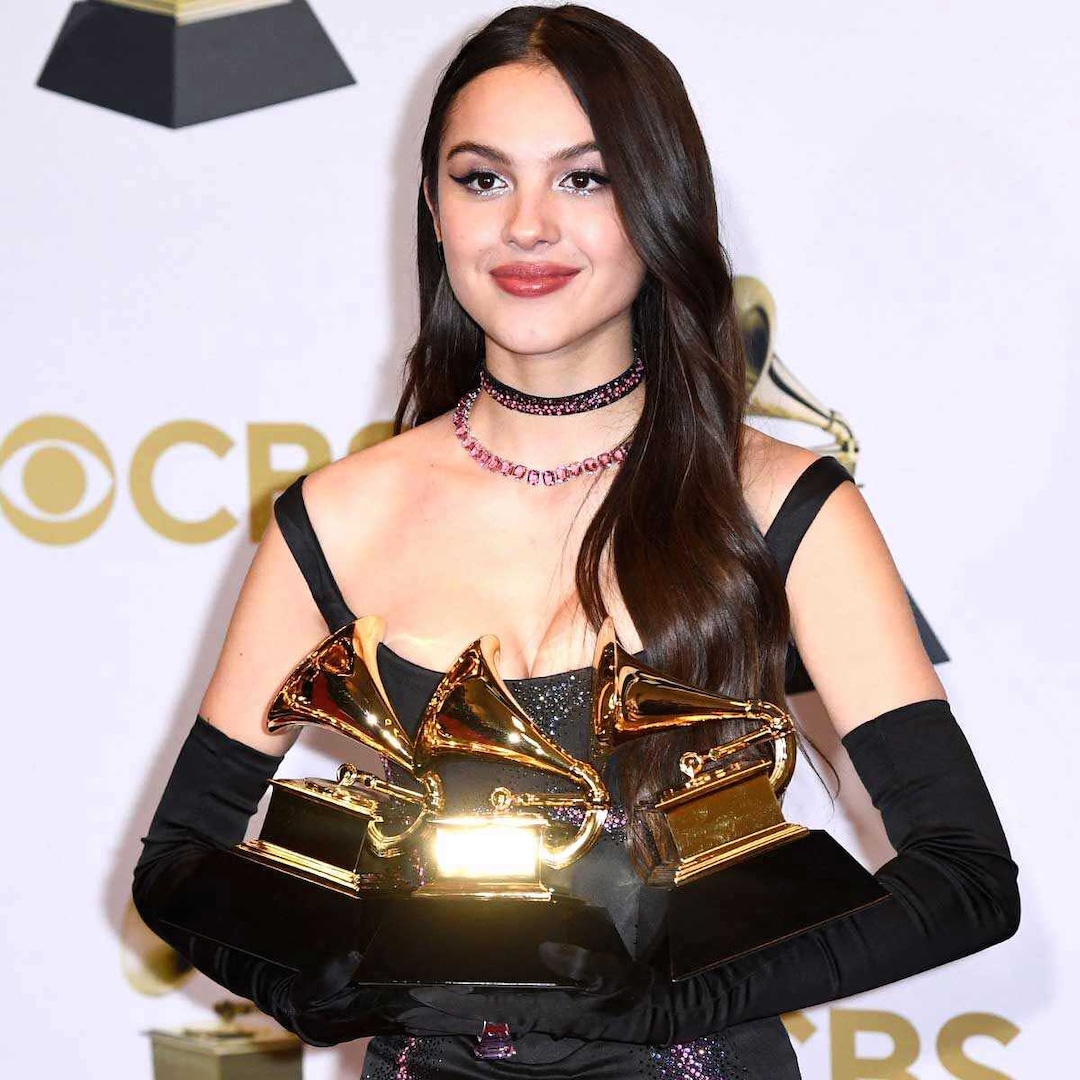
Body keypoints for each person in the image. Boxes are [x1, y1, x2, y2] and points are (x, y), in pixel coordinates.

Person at [131, 5, 1020, 1078]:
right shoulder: (335, 517)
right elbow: (179, 858)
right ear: (434, 209)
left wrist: (677, 1001)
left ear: (659, 203)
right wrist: (302, 982)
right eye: (483, 179)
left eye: (584, 179)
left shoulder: (780, 504)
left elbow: (965, 877)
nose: (528, 226)